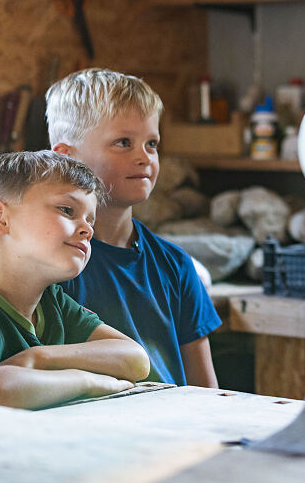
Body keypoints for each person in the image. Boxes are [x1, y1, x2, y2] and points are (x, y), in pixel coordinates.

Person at [0, 151, 151, 408]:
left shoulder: (53, 304)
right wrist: (87, 381)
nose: (88, 229)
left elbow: (136, 360)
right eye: (67, 210)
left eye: (90, 219)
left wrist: (39, 358)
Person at [49, 68, 221, 387]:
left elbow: (206, 392)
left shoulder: (177, 266)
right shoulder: (54, 268)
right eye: (124, 142)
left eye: (152, 144)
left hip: (174, 431)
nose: (144, 157)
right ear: (67, 157)